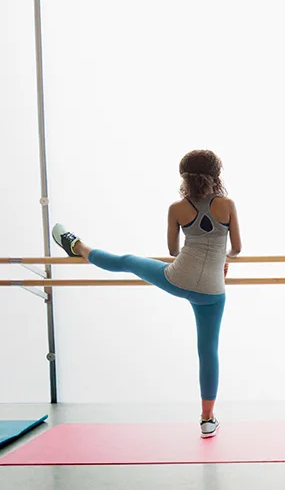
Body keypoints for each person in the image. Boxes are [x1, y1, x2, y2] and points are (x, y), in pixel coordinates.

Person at [51, 149, 241, 438]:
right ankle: (207, 419)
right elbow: (237, 249)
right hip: (213, 292)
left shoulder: (177, 208)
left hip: (177, 280)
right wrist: (222, 259)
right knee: (207, 351)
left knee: (127, 261)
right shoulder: (227, 205)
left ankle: (77, 247)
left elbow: (173, 251)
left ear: (185, 179)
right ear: (216, 176)